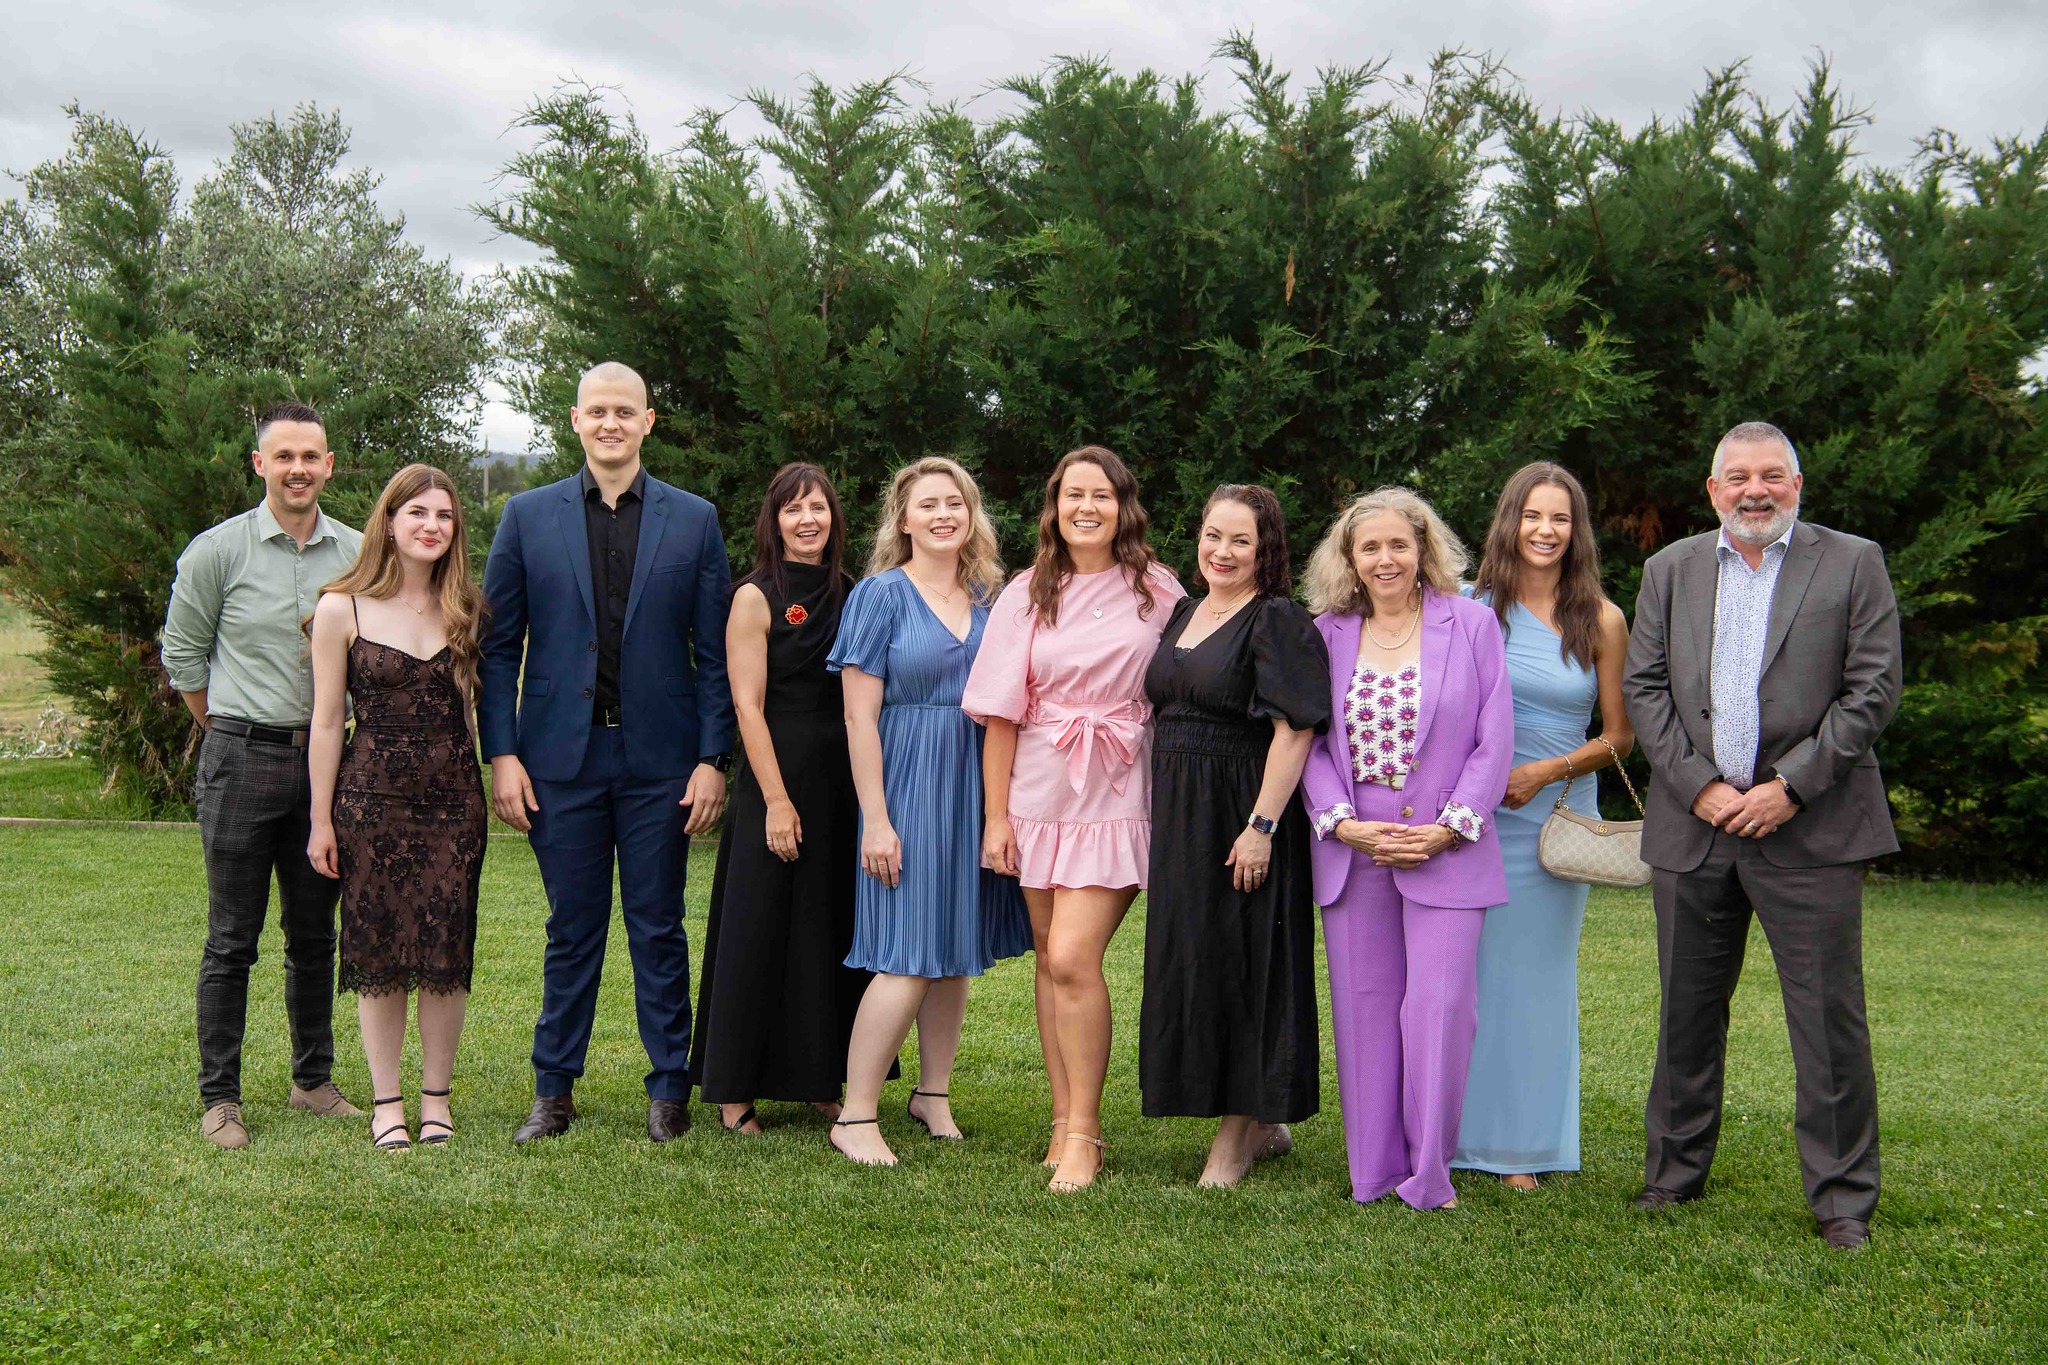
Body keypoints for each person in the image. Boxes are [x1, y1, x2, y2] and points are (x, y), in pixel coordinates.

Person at [1623, 421, 1901, 1252]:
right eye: (1737, 476)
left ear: (1797, 483)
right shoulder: (1668, 571)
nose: (1755, 489)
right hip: (1695, 826)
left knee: (1826, 1018)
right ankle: (1673, 1175)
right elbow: (1643, 688)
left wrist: (1791, 787)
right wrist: (1699, 786)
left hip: (1809, 829)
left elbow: (1873, 688)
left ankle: (1843, 1198)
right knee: (1686, 1012)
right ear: (1712, 491)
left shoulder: (1852, 562)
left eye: (1771, 475)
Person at [479, 361, 735, 1146]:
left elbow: (717, 653)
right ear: (576, 419)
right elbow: (497, 648)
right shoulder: (527, 516)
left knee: (659, 926)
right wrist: (504, 755)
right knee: (573, 927)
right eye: (599, 412)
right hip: (561, 760)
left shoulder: (693, 519)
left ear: (648, 421)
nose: (612, 423)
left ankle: (669, 1090)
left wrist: (710, 758)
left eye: (626, 411)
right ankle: (553, 1088)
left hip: (662, 761)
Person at [964, 445, 1184, 1193]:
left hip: (1121, 785)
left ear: (1125, 505)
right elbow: (999, 713)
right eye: (1071, 495)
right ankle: (1062, 1120)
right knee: (1047, 952)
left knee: (1072, 956)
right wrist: (998, 818)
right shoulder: (1028, 590)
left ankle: (1087, 1133)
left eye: (1101, 494)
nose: (1085, 506)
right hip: (1037, 786)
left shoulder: (1157, 589)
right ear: (1054, 507)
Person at [1299, 486, 1513, 1211]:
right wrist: (1338, 819)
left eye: (1399, 544)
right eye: (1370, 547)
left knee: (1441, 1007)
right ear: (1350, 559)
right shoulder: (1324, 632)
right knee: (1364, 1010)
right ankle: (1374, 1171)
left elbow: (1494, 738)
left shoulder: (1475, 624)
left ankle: (1429, 1173)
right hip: (1356, 841)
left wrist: (1450, 825)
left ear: (1424, 548)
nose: (1386, 558)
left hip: (1446, 842)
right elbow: (1309, 740)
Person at [163, 401, 366, 1150]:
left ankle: (313, 1080)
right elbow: (184, 659)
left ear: (329, 465)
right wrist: (223, 730)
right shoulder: (218, 551)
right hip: (239, 756)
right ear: (260, 464)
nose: (298, 469)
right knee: (231, 939)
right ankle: (221, 1098)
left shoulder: (357, 553)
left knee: (315, 934)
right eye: (284, 457)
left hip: (327, 766)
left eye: (311, 456)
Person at [825, 457, 1030, 1167]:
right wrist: (876, 818)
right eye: (928, 504)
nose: (943, 514)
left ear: (972, 516)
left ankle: (932, 1093)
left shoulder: (992, 598)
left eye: (956, 502)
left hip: (975, 784)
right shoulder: (880, 596)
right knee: (907, 954)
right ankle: (855, 1114)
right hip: (906, 783)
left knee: (952, 952)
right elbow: (857, 719)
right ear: (903, 518)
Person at [1138, 485, 1329, 1188]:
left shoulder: (1277, 619)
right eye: (1212, 535)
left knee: (1250, 966)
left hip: (1243, 814)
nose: (1222, 551)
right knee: (1199, 962)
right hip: (1184, 818)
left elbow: (1297, 728)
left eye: (1240, 541)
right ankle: (1263, 1123)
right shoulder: (1187, 611)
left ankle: (1236, 1137)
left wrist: (1261, 827)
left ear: (1266, 549)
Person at [1453, 463, 1634, 1189]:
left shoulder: (1603, 618)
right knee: (1464, 977)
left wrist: (1543, 770)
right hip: (1472, 818)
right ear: (1509, 521)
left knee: (1535, 980)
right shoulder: (1469, 607)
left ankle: (1523, 1149)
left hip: (1555, 821)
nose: (1545, 530)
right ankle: (1454, 1131)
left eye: (1560, 518)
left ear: (1577, 530)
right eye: (1533, 515)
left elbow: (1620, 736)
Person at [306, 464, 489, 1152]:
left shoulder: (467, 607)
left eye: (444, 515)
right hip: (370, 805)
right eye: (418, 513)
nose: (431, 526)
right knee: (378, 954)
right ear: (389, 521)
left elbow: (473, 713)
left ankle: (436, 1099)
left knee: (446, 952)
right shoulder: (340, 607)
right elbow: (327, 722)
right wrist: (321, 818)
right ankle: (388, 1103)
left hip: (452, 805)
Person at [690, 464, 869, 1132]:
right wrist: (776, 799)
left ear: (833, 517)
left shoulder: (854, 591)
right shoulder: (755, 596)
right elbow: (747, 703)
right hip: (776, 776)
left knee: (829, 927)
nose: (806, 520)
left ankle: (824, 1078)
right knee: (756, 929)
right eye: (793, 509)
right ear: (774, 519)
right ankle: (735, 1090)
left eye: (817, 507)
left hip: (840, 783)